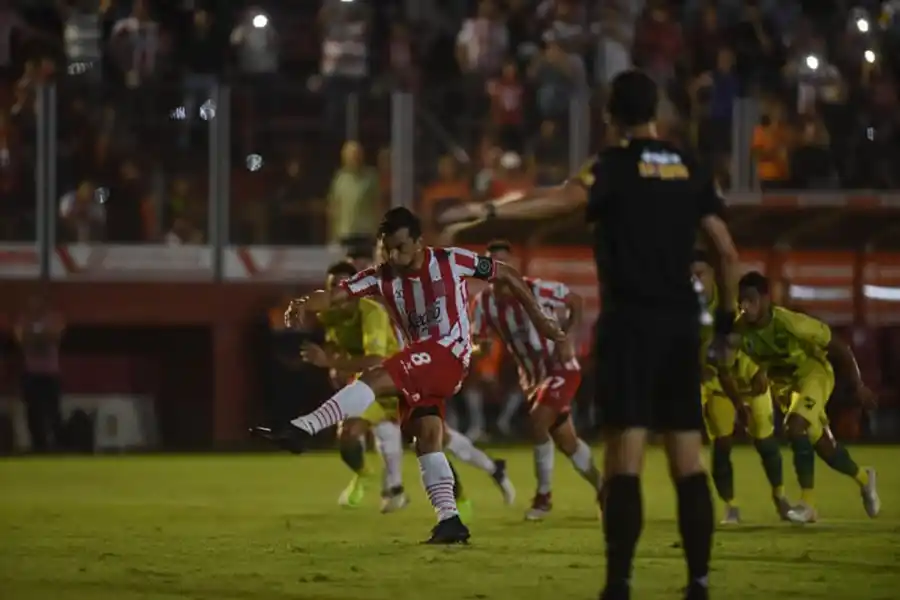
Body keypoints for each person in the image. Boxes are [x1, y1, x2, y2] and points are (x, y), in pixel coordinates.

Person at [440, 69, 741, 600]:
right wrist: (726, 324)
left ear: (609, 117)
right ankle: (698, 583)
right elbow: (726, 250)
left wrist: (486, 211)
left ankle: (619, 585)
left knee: (624, 459)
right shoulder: (692, 168)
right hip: (678, 328)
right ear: (659, 113)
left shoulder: (610, 165)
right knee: (687, 462)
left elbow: (559, 200)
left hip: (630, 325)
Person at [252, 207, 568, 544]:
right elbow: (335, 294)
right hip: (422, 361)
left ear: (419, 242)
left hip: (449, 353)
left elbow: (504, 273)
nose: (393, 254)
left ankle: (302, 429)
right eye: (388, 247)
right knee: (426, 437)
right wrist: (303, 302)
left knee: (374, 377)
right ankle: (450, 521)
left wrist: (539, 319)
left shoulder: (449, 260)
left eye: (401, 246)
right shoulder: (382, 276)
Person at [303, 260, 516, 517]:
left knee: (433, 438)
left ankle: (483, 474)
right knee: (359, 432)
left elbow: (377, 359)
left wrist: (332, 362)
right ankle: (387, 485)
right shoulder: (337, 314)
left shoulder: (381, 309)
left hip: (408, 376)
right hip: (382, 381)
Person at [472, 241, 603, 521]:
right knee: (567, 442)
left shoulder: (536, 288)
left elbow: (575, 301)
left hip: (560, 368)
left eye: (503, 261)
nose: (498, 268)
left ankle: (543, 497)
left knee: (538, 421)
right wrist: (475, 350)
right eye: (492, 262)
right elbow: (480, 341)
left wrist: (567, 337)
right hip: (531, 378)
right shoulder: (483, 304)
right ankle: (604, 488)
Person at [735, 271, 880, 524]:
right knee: (824, 448)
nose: (746, 307)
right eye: (742, 301)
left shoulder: (791, 323)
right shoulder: (740, 329)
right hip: (786, 388)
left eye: (751, 300)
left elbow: (839, 346)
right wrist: (758, 375)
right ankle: (865, 479)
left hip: (814, 375)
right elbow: (753, 356)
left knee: (795, 427)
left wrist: (858, 386)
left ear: (767, 299)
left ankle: (808, 505)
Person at [692, 253, 791, 524]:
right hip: (716, 386)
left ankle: (780, 497)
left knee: (766, 443)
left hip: (750, 381)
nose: (696, 279)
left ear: (713, 275)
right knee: (721, 445)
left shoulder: (734, 305)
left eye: (701, 273)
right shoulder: (685, 310)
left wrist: (762, 371)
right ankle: (731, 506)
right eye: (691, 274)